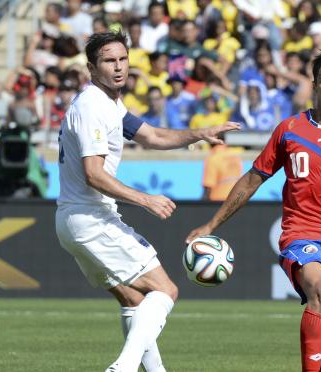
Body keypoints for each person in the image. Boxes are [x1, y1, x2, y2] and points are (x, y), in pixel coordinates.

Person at [186, 50, 321, 372]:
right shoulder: (289, 130)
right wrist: (211, 224)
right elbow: (251, 181)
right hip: (300, 235)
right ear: (314, 84)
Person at [54, 31, 239, 372]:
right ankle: (122, 368)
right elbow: (94, 174)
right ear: (93, 68)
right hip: (91, 217)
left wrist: (197, 134)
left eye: (123, 59)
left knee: (133, 299)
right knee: (166, 291)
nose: (119, 67)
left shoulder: (109, 103)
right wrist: (146, 200)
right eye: (109, 61)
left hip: (73, 219)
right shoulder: (92, 106)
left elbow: (152, 135)